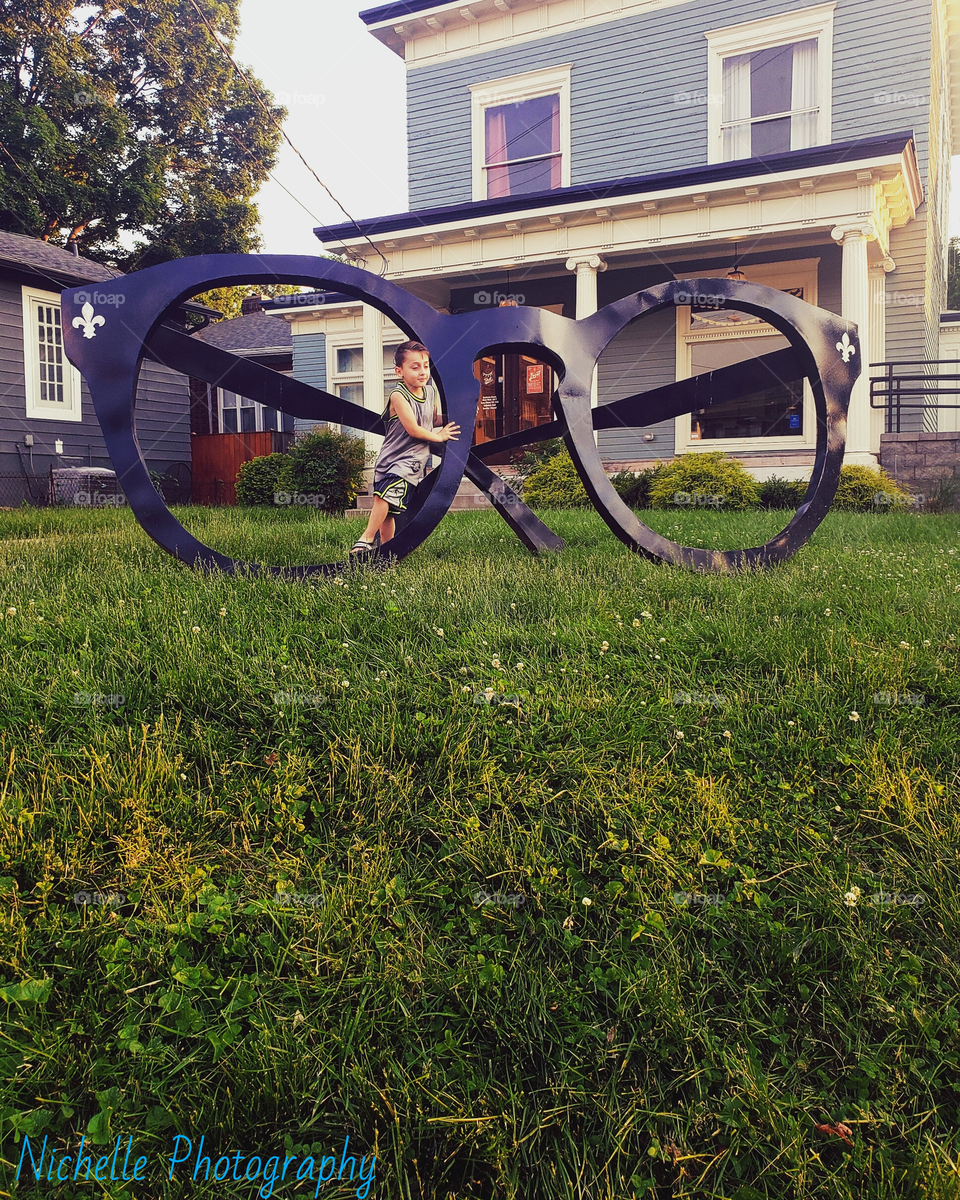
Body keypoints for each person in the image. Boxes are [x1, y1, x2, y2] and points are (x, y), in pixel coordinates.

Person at [350, 340, 460, 555]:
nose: (422, 372)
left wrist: (455, 417)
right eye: (415, 367)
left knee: (384, 497)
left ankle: (366, 538)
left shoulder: (430, 393)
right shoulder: (398, 396)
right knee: (388, 511)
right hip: (390, 458)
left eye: (426, 366)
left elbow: (430, 419)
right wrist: (439, 437)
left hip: (410, 461)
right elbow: (414, 430)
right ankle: (388, 552)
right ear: (399, 371)